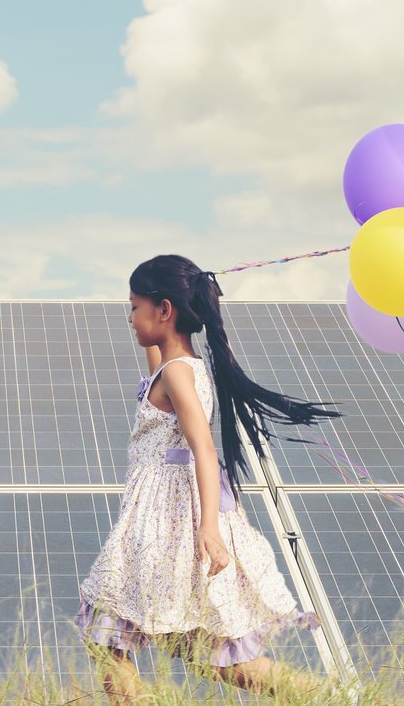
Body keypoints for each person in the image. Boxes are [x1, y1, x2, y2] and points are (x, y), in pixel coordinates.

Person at [74, 254, 349, 703]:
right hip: (163, 517)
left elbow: (203, 448)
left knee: (108, 635)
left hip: (166, 523)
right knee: (198, 653)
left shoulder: (178, 374)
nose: (128, 317)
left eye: (134, 306)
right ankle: (335, 697)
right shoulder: (175, 368)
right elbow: (157, 354)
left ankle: (334, 698)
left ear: (164, 310)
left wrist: (209, 529)